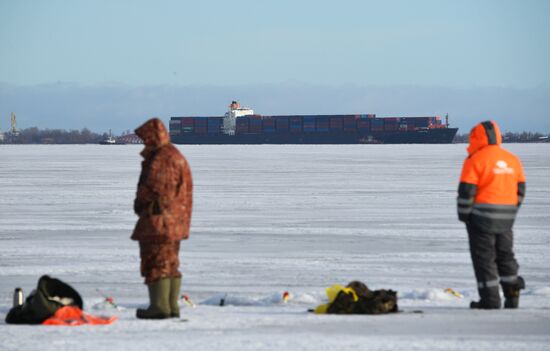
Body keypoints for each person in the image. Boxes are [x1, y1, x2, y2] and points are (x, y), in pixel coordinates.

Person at [457, 120, 526, 309]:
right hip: (507, 219)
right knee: (505, 255)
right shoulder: (512, 159)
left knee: (484, 259)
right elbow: (520, 189)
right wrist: (511, 209)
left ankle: (491, 300)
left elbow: (466, 192)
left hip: (481, 220)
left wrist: (465, 216)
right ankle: (512, 296)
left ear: (476, 137)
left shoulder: (475, 159)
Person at [132, 118, 193, 319]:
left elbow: (155, 188)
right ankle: (170, 306)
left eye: (145, 138)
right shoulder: (175, 155)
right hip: (175, 220)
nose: (144, 143)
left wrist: (140, 204)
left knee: (157, 262)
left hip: (160, 220)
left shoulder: (162, 157)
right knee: (170, 263)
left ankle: (159, 307)